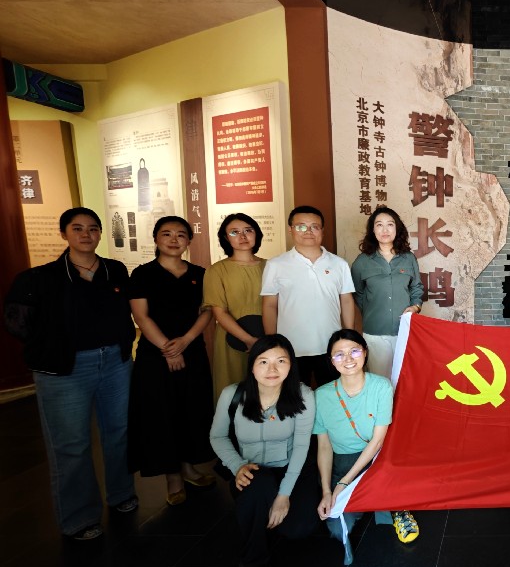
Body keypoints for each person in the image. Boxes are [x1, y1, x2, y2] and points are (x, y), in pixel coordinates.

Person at [4, 208, 137, 540]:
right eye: (77, 228)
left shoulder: (115, 270)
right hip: (65, 369)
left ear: (101, 233)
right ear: (63, 233)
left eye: (92, 228)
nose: (86, 234)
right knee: (71, 443)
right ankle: (79, 517)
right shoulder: (38, 278)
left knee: (119, 432)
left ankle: (121, 493)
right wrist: (53, 346)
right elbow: (17, 323)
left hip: (115, 362)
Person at [209, 335, 319, 567]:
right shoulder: (232, 395)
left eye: (281, 361)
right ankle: (255, 565)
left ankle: (263, 513)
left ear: (291, 364)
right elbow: (217, 436)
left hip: (291, 468)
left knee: (299, 527)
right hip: (250, 470)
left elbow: (301, 447)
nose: (272, 369)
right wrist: (237, 466)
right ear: (252, 365)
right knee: (258, 487)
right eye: (263, 361)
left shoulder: (303, 395)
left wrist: (284, 496)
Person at [127, 216, 216, 505]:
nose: (174, 239)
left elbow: (207, 311)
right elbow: (141, 316)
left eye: (181, 234)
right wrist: (169, 349)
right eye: (166, 234)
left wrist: (186, 341)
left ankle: (189, 468)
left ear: (189, 240)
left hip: (192, 350)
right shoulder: (143, 274)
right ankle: (173, 478)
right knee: (162, 413)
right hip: (155, 355)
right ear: (156, 239)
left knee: (191, 409)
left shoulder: (200, 274)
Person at [315, 330, 419, 556]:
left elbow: (378, 440)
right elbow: (323, 446)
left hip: (378, 458)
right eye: (339, 354)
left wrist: (344, 482)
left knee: (390, 476)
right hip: (344, 461)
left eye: (354, 351)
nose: (348, 359)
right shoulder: (321, 395)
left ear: (365, 352)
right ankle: (370, 499)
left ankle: (396, 507)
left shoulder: (381, 386)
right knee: (337, 528)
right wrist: (327, 490)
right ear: (331, 361)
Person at [261, 206, 356, 388]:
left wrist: (349, 336)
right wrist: (272, 342)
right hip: (290, 347)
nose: (308, 231)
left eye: (314, 226)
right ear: (290, 230)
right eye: (301, 226)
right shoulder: (276, 265)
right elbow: (269, 305)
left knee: (333, 394)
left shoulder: (339, 264)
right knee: (294, 396)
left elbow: (346, 300)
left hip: (331, 346)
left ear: (322, 230)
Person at [350, 206, 423, 378]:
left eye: (390, 224)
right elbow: (357, 293)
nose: (385, 230)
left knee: (405, 379)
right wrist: (372, 310)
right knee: (381, 380)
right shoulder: (362, 261)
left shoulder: (408, 258)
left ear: (397, 229)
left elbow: (416, 287)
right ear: (372, 230)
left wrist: (415, 307)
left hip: (404, 330)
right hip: (375, 332)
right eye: (379, 225)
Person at [203, 213, 266, 402]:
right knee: (233, 393)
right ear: (225, 238)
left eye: (248, 230)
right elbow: (219, 312)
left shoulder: (271, 266)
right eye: (234, 232)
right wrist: (249, 340)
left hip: (267, 339)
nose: (242, 236)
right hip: (232, 340)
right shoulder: (216, 270)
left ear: (256, 233)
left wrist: (264, 341)